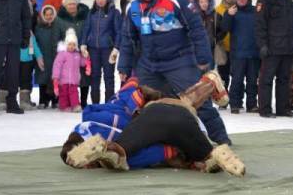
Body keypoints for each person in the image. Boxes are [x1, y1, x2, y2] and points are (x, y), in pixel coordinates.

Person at [118, 0, 230, 145]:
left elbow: (196, 28)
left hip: (179, 60)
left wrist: (202, 59)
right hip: (149, 65)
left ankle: (221, 138)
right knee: (147, 104)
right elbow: (127, 38)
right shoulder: (133, 7)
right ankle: (158, 141)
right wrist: (123, 66)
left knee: (198, 98)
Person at [61, 75, 244, 176]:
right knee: (205, 154)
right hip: (186, 120)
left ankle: (112, 150)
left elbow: (154, 152)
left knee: (121, 151)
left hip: (152, 116)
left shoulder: (135, 110)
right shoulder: (179, 104)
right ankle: (214, 153)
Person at [256, 0, 293, 118]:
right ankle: (265, 109)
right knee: (266, 80)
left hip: (288, 47)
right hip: (272, 47)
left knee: (284, 79)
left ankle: (282, 109)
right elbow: (260, 24)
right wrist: (262, 45)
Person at [220, 0, 260, 114]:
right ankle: (235, 104)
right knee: (237, 80)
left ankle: (252, 104)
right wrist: (229, 16)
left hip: (254, 53)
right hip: (238, 53)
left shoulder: (255, 11)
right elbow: (224, 28)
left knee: (252, 81)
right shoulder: (231, 11)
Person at [80, 0, 122, 104]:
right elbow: (86, 29)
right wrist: (83, 44)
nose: (100, 1)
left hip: (108, 49)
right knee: (95, 77)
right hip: (93, 49)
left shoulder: (114, 12)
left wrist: (116, 48)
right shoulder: (91, 12)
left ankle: (109, 104)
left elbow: (119, 31)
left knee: (109, 78)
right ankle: (95, 104)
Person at [55, 0, 92, 107]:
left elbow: (89, 30)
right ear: (65, 6)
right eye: (69, 4)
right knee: (67, 77)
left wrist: (86, 45)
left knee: (84, 77)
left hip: (82, 49)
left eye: (73, 4)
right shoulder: (59, 19)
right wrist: (60, 49)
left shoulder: (85, 16)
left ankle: (84, 101)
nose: (72, 6)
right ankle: (68, 101)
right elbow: (57, 35)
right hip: (67, 52)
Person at [52, 28, 88, 112]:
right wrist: (56, 77)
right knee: (63, 94)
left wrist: (85, 57)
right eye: (69, 44)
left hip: (73, 80)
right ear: (66, 44)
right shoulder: (62, 54)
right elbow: (57, 65)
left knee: (74, 93)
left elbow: (82, 63)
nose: (71, 47)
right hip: (63, 80)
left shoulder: (77, 54)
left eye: (73, 45)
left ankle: (75, 106)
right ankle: (63, 106)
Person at [34, 5, 60, 109]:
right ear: (43, 15)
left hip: (55, 56)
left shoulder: (58, 26)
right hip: (43, 55)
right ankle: (43, 100)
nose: (49, 16)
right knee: (42, 78)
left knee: (55, 78)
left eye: (51, 14)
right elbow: (35, 42)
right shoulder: (38, 27)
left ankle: (55, 100)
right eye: (46, 14)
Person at [214, 0, 236, 94]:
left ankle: (236, 99)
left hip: (236, 46)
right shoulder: (218, 9)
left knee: (237, 75)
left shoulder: (239, 7)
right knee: (223, 75)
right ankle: (223, 97)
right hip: (223, 47)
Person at [191, 0, 221, 70]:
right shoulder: (193, 16)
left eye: (206, 1)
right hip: (195, 51)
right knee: (196, 77)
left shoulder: (215, 15)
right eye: (201, 2)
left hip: (210, 51)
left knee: (208, 76)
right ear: (197, 3)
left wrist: (215, 39)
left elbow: (222, 30)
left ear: (210, 2)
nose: (204, 4)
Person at [19, 30, 43, 110]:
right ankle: (4, 100)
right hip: (15, 60)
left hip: (28, 60)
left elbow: (34, 46)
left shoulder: (30, 33)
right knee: (11, 80)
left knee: (26, 81)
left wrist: (39, 57)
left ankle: (25, 101)